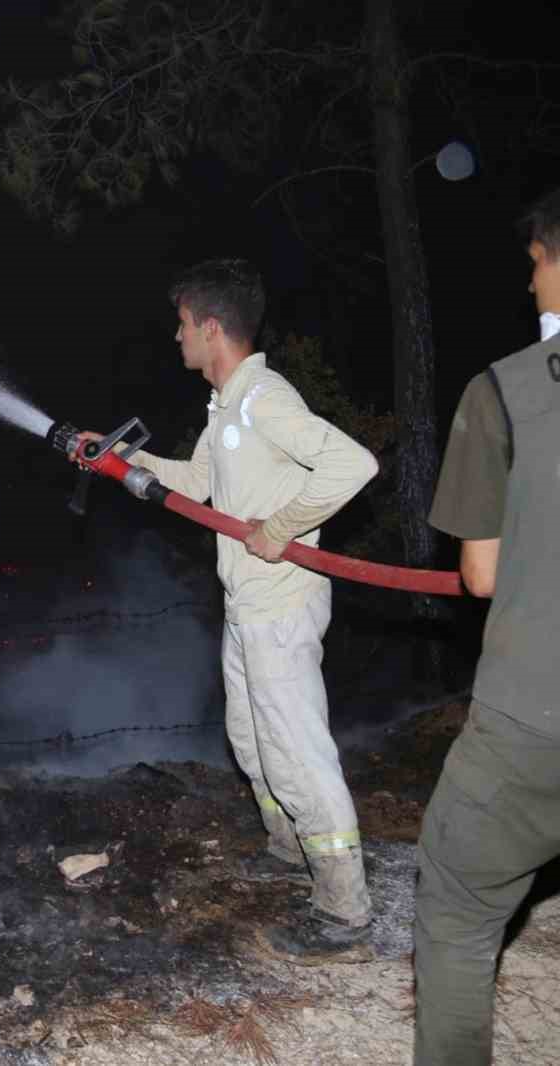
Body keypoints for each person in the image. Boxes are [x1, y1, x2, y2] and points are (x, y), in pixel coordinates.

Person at [75, 259, 380, 959]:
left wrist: (282, 526)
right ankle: (286, 847)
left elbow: (354, 465)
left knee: (297, 753)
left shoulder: (263, 399)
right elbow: (202, 485)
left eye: (182, 324)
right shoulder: (227, 407)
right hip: (247, 605)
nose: (175, 336)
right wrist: (120, 463)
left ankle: (343, 911)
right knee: (249, 740)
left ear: (211, 328)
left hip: (280, 606)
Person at [414, 189, 560, 1065]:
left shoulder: (504, 392)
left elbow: (480, 573)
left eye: (538, 260)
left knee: (460, 908)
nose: (532, 278)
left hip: (533, 721)